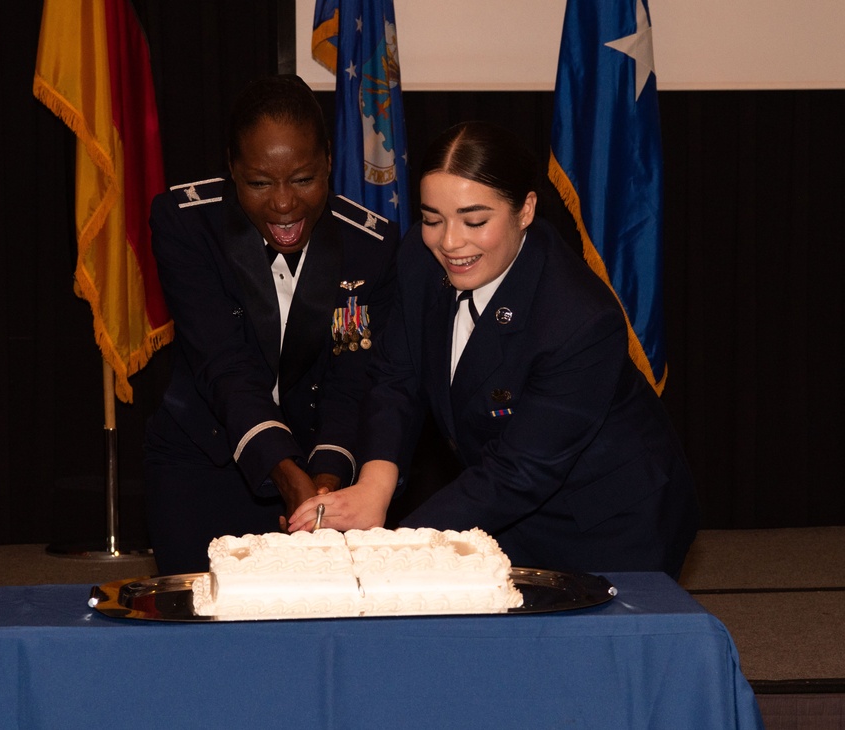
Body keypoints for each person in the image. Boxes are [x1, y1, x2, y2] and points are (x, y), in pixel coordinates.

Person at [290, 121, 699, 579]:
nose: (449, 242)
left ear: (525, 210)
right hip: (497, 504)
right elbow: (396, 379)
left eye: (475, 221)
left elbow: (520, 471)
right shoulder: (418, 261)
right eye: (431, 219)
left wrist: (396, 544)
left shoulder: (579, 319)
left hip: (609, 523)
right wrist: (374, 487)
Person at [144, 75, 399, 574]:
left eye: (303, 179)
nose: (284, 204)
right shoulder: (186, 224)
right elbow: (224, 366)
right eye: (260, 182)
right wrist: (287, 474)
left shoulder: (371, 247)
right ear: (232, 169)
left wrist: (322, 486)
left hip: (323, 472)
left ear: (328, 161)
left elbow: (351, 385)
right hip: (204, 462)